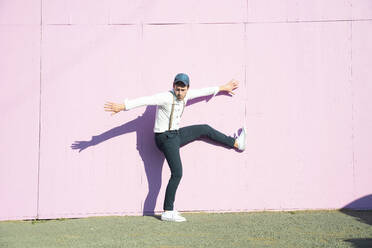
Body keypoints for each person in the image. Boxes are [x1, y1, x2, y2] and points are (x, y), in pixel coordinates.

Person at [104, 73, 246, 222]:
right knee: (177, 173)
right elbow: (146, 100)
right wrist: (123, 106)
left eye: (182, 90)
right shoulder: (165, 97)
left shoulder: (187, 95)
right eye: (177, 89)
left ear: (187, 89)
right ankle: (168, 211)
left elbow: (204, 91)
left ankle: (237, 143)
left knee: (204, 128)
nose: (179, 93)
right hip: (164, 138)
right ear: (173, 86)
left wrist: (224, 87)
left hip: (175, 135)